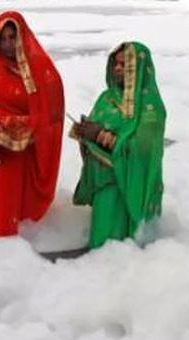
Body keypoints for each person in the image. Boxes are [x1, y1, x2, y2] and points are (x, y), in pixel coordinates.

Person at [0, 11, 64, 236]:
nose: (8, 44)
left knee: (19, 208)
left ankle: (17, 239)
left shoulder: (41, 71)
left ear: (22, 37)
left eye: (12, 38)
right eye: (3, 39)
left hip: (26, 151)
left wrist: (31, 126)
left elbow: (53, 112)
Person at [70, 42, 166, 249]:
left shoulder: (151, 110)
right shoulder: (107, 98)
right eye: (116, 64)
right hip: (105, 186)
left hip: (129, 189)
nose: (118, 69)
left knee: (120, 250)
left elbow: (143, 153)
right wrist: (85, 133)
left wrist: (100, 135)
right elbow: (94, 132)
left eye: (125, 65)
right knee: (101, 246)